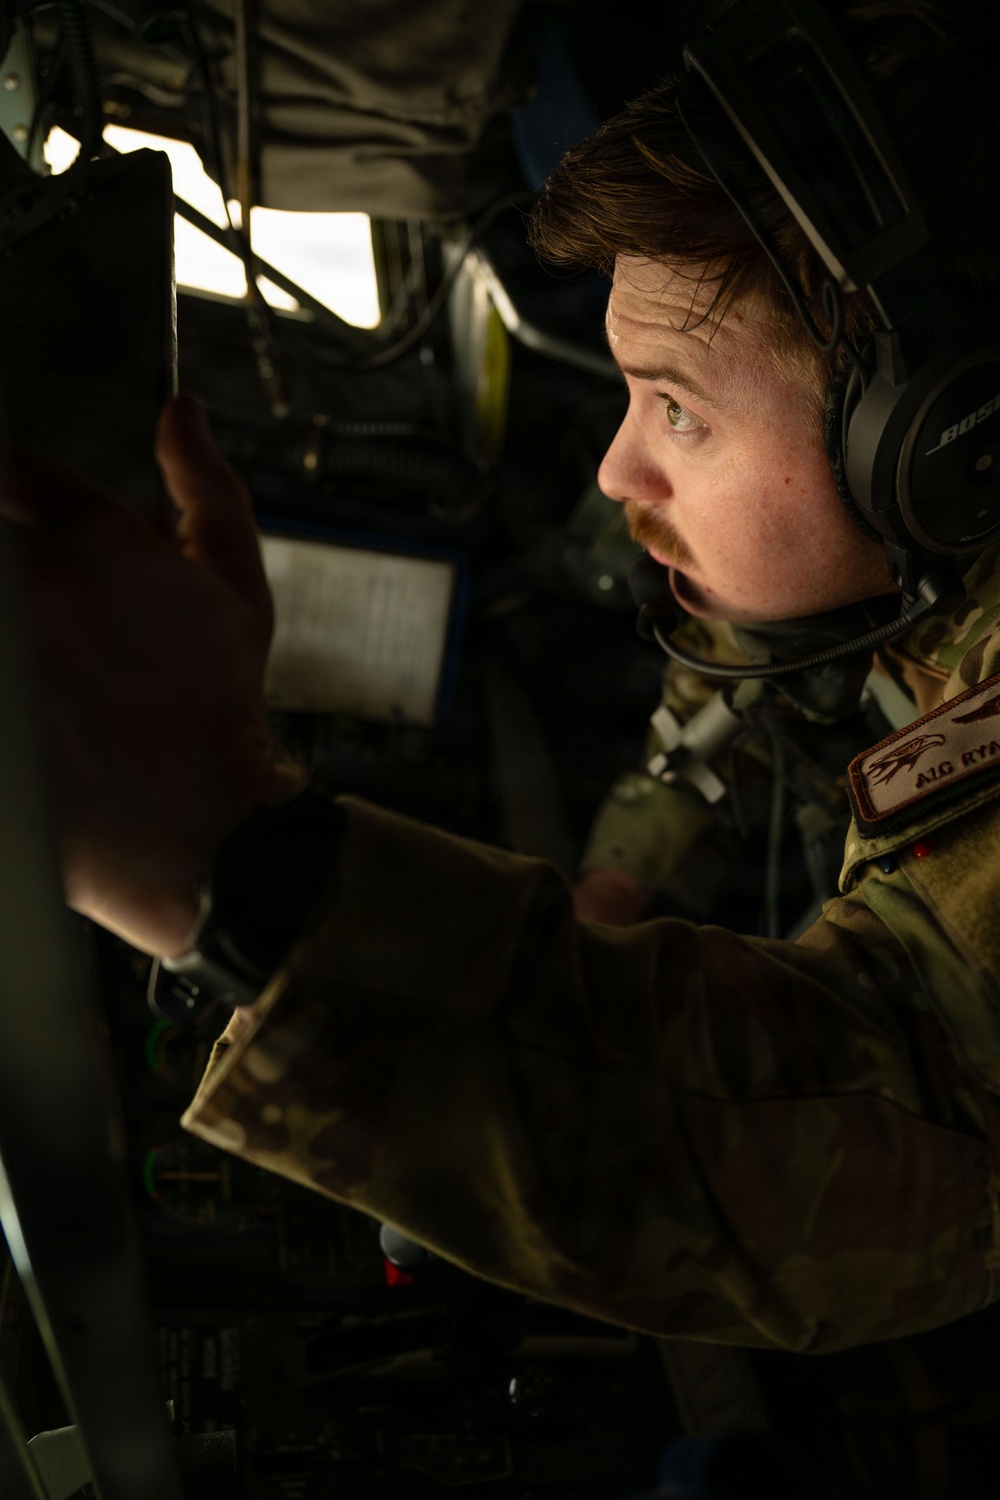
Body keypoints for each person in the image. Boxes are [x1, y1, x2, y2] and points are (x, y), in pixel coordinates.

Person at [6, 0, 1000, 1355]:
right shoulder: (918, 566)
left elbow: (901, 1141)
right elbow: (719, 693)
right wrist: (619, 873)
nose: (616, 470)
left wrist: (226, 854)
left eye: (680, 410)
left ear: (943, 440)